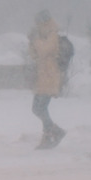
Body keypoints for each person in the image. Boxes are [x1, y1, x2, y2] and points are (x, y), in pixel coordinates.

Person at [29, 11, 66, 149]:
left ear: (43, 22)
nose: (36, 26)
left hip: (50, 75)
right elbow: (34, 55)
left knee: (40, 107)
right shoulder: (42, 35)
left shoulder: (52, 33)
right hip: (42, 76)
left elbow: (46, 50)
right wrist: (31, 43)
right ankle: (52, 132)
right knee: (37, 108)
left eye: (38, 23)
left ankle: (52, 133)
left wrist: (35, 41)